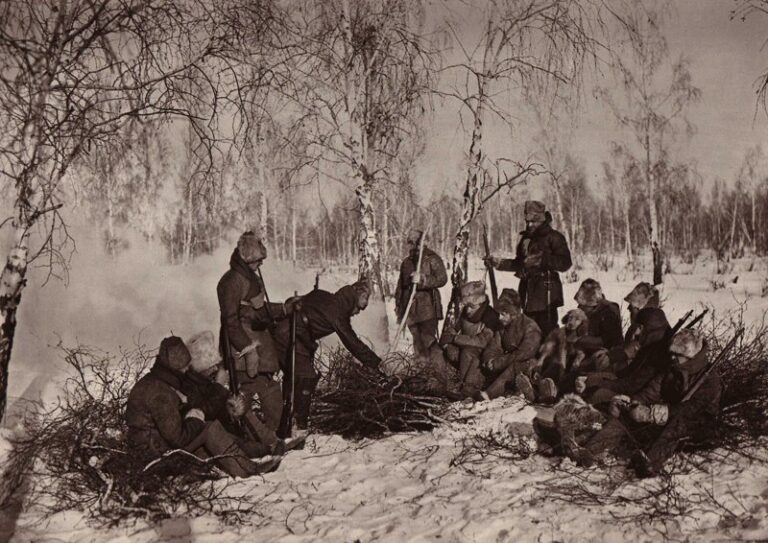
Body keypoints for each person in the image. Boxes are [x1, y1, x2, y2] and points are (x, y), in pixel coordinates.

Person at [125, 336, 281, 478]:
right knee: (209, 429)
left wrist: (192, 415)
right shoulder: (160, 393)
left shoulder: (155, 382)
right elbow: (178, 438)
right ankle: (248, 469)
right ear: (176, 368)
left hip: (153, 450)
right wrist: (195, 417)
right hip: (155, 456)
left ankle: (262, 452)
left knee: (211, 433)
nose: (187, 370)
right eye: (185, 367)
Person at [574, 329, 721, 477]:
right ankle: (590, 452)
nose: (672, 357)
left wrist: (655, 413)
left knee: (679, 422)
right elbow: (650, 392)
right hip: (668, 417)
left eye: (678, 355)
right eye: (672, 353)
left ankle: (649, 464)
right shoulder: (671, 370)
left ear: (690, 356)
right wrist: (635, 404)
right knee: (625, 416)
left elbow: (691, 409)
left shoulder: (710, 379)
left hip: (699, 426)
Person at [271, 281, 382, 433]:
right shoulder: (337, 312)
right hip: (290, 336)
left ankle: (285, 418)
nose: (359, 312)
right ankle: (298, 424)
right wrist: (373, 362)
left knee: (293, 376)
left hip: (288, 333)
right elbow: (352, 342)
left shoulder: (324, 296)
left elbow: (293, 302)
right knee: (306, 377)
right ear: (358, 297)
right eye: (362, 305)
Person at [216, 231, 299, 432]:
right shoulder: (232, 281)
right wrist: (248, 350)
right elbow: (231, 321)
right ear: (248, 258)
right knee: (248, 393)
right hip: (244, 353)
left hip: (258, 349)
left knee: (266, 388)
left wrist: (286, 309)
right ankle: (255, 437)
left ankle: (270, 434)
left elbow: (261, 311)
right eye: (258, 260)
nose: (260, 264)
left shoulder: (247, 277)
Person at [181, 331, 305, 454]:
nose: (215, 369)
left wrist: (232, 407)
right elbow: (204, 411)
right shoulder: (190, 385)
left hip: (219, 428)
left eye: (215, 365)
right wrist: (219, 387)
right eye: (211, 366)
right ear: (200, 366)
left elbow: (216, 405)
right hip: (209, 434)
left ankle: (272, 441)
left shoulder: (204, 381)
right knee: (242, 422)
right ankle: (270, 445)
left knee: (243, 410)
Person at [486, 200, 572, 337]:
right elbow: (520, 263)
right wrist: (499, 263)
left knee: (547, 333)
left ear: (542, 220)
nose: (529, 225)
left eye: (534, 221)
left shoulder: (554, 237)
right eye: (528, 221)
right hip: (527, 293)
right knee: (528, 331)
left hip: (546, 295)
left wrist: (542, 260)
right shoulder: (526, 239)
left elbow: (565, 263)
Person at [477, 288, 542, 401]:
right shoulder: (503, 327)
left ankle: (488, 395)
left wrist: (498, 362)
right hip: (508, 363)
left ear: (513, 314)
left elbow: (524, 354)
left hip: (530, 366)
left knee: (516, 365)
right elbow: (494, 345)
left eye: (503, 314)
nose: (499, 317)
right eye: (499, 313)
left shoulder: (530, 327)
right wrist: (489, 359)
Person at [395, 229, 448, 358]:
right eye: (411, 243)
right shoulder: (406, 262)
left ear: (424, 243)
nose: (414, 246)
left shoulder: (432, 259)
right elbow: (400, 287)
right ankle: (421, 371)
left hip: (427, 309)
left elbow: (442, 279)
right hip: (410, 311)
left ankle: (438, 371)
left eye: (417, 243)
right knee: (417, 344)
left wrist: (423, 279)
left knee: (428, 341)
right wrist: (398, 307)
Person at [441, 281, 497, 399]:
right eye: (466, 306)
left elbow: (482, 341)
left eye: (471, 306)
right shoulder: (466, 313)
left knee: (468, 352)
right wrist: (447, 345)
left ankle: (467, 389)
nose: (468, 311)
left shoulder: (490, 316)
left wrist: (456, 339)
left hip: (483, 355)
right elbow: (452, 329)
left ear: (479, 303)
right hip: (465, 352)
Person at [573, 278, 623, 357]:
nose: (579, 307)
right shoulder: (592, 312)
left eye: (582, 304)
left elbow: (609, 341)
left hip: (609, 356)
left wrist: (582, 340)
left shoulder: (609, 312)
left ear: (591, 304)